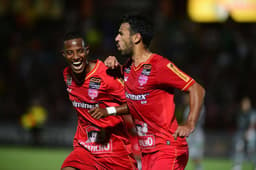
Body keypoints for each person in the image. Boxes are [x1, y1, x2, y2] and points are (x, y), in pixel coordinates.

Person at [90, 14, 205, 170]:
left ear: (136, 38)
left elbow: (196, 88)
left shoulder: (159, 65)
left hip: (167, 148)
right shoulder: (129, 67)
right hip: (148, 151)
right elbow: (136, 103)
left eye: (121, 33)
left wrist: (190, 123)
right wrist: (109, 110)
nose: (116, 38)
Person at [60, 32, 137, 170]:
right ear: (64, 55)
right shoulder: (67, 75)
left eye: (80, 51)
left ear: (87, 51)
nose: (76, 57)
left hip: (115, 152)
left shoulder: (105, 74)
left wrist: (108, 111)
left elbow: (135, 103)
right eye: (70, 53)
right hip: (85, 148)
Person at [232, 96, 256, 170]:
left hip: (250, 132)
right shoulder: (240, 113)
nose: (244, 105)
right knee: (238, 148)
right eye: (243, 104)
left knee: (251, 150)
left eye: (246, 104)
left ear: (249, 104)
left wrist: (248, 132)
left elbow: (252, 124)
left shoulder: (252, 112)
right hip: (241, 132)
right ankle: (237, 165)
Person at [182, 93, 205, 170]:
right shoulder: (188, 107)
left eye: (186, 97)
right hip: (189, 134)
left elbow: (192, 121)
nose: (184, 99)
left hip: (196, 134)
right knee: (186, 153)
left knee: (196, 155)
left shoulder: (198, 107)